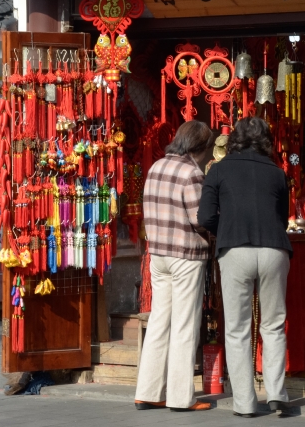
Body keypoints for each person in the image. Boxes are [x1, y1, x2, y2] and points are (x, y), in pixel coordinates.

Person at [198, 117, 292, 418]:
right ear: (266, 140)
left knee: (238, 330)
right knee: (274, 325)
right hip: (274, 249)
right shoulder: (277, 173)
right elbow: (283, 216)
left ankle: (245, 403)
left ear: (234, 139)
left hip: (235, 249)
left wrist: (226, 228)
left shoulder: (219, 170)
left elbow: (205, 217)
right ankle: (277, 394)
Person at [135, 120, 215, 412]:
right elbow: (200, 219)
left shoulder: (156, 167)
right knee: (184, 325)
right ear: (199, 147)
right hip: (185, 255)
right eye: (207, 148)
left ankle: (147, 391)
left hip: (158, 254)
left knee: (159, 321)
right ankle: (181, 397)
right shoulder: (191, 173)